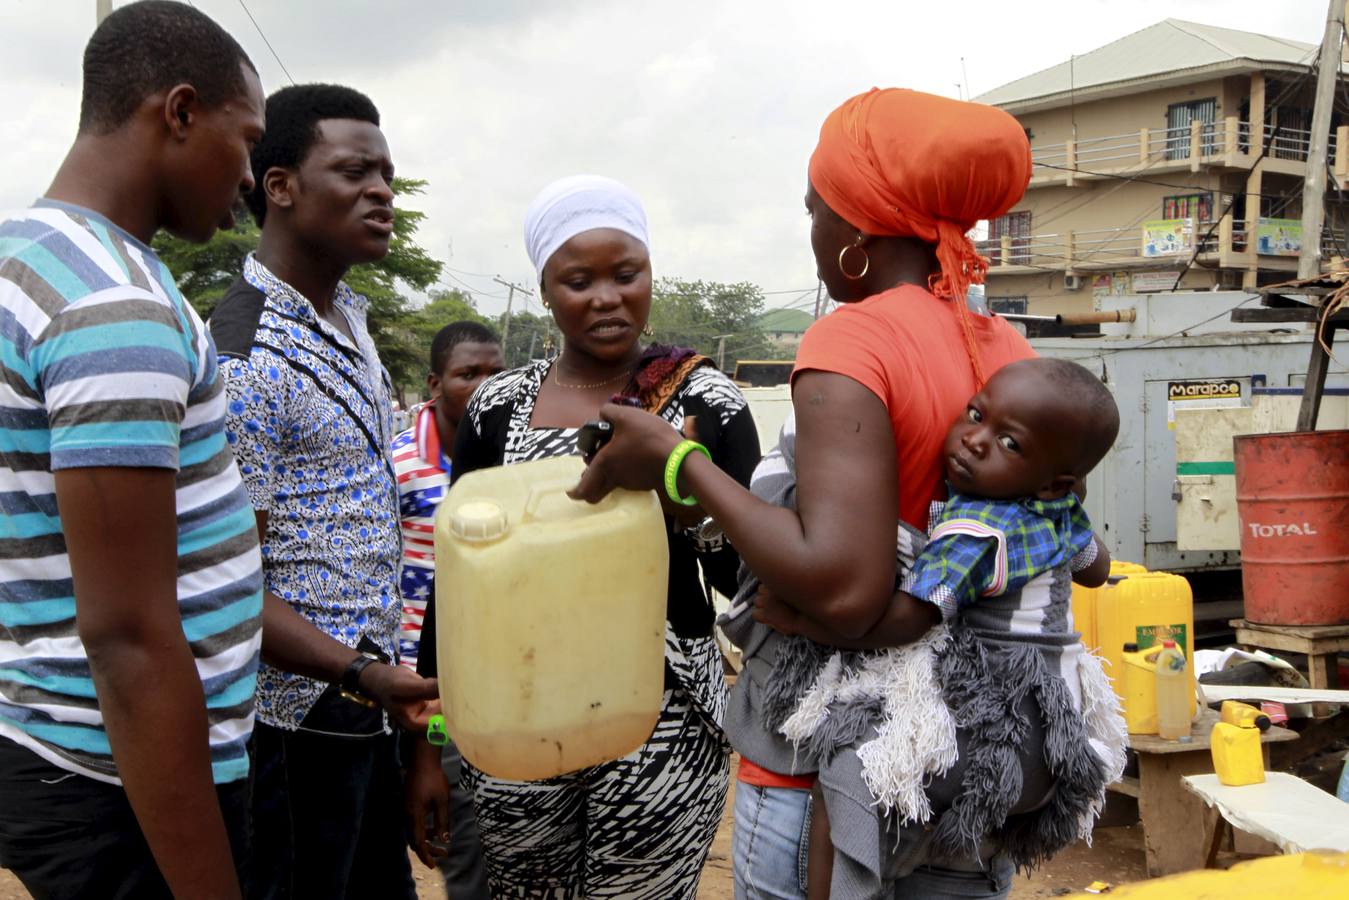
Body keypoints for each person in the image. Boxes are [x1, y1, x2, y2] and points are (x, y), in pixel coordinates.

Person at [568, 87, 1045, 899]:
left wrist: (677, 463)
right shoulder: (1006, 345)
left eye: (814, 211)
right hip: (960, 769)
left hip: (831, 782)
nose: (814, 234)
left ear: (857, 229)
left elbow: (843, 586)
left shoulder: (852, 336)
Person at [411, 175, 761, 898]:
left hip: (660, 717)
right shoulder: (498, 407)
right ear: (544, 290)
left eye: (625, 274)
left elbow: (746, 575)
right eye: (578, 281)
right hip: (517, 707)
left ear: (649, 275)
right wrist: (431, 742)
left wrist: (681, 486)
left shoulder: (704, 401)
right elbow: (457, 578)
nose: (606, 297)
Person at [0, 3, 265, 898]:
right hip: (122, 782)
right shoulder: (115, 307)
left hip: (56, 747)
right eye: (247, 139)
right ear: (180, 112)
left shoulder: (23, 262)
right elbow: (128, 638)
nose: (251, 177)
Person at [751, 357, 1128, 892]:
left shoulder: (974, 535)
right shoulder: (1061, 511)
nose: (975, 440)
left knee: (847, 777)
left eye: (1010, 444)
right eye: (976, 415)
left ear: (1053, 481)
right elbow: (1100, 568)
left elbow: (905, 622)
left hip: (995, 729)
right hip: (1055, 731)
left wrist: (800, 621)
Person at [208, 83, 436, 900]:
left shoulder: (348, 317)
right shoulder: (245, 359)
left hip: (361, 706)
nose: (380, 192)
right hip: (290, 723)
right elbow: (226, 586)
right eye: (354, 172)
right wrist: (358, 674)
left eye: (386, 173)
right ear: (280, 186)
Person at [394, 320, 504, 897]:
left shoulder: (516, 458)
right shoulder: (398, 462)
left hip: (491, 678)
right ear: (436, 383)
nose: (485, 387)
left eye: (496, 374)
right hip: (411, 678)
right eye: (469, 375)